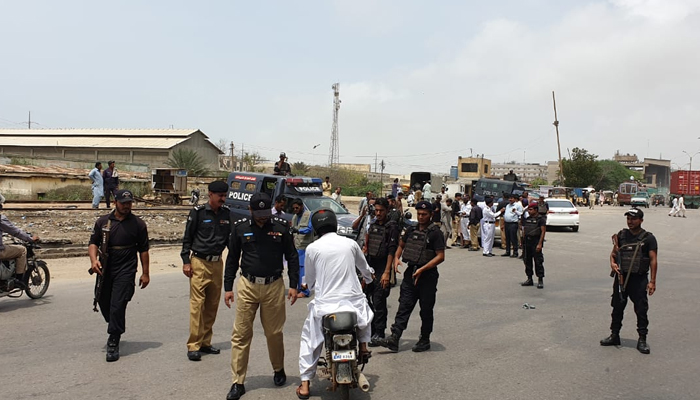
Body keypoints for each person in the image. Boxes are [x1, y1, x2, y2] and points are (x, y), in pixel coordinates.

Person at [224, 193, 300, 400]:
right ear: (250, 210)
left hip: (273, 286)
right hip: (247, 285)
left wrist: (294, 285)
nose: (262, 218)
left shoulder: (281, 227)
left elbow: (292, 257)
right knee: (240, 334)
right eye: (258, 214)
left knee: (274, 332)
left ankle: (278, 369)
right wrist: (228, 287)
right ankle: (237, 382)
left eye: (265, 213)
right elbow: (232, 258)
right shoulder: (240, 227)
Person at [297, 209, 374, 399]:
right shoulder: (350, 243)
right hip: (351, 302)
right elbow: (364, 268)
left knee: (310, 338)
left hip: (326, 306)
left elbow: (311, 281)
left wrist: (308, 283)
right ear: (335, 224)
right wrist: (368, 278)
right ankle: (363, 346)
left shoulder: (313, 249)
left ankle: (305, 385)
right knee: (365, 311)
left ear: (316, 228)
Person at [88, 189, 150, 362]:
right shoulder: (103, 222)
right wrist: (94, 261)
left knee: (118, 304)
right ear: (115, 203)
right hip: (105, 268)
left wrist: (145, 273)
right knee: (102, 300)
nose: (127, 206)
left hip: (126, 269)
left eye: (129, 203)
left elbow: (144, 250)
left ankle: (113, 339)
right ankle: (115, 324)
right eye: (123, 203)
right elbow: (93, 243)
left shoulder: (138, 224)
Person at [380, 200, 445, 353]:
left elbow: (440, 256)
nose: (421, 217)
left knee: (426, 310)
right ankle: (395, 338)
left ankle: (424, 339)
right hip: (411, 273)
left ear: (430, 214)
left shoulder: (435, 233)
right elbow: (401, 245)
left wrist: (423, 269)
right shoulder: (411, 230)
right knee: (404, 306)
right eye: (419, 214)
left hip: (427, 276)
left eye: (424, 214)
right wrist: (396, 258)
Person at [181, 181, 232, 361]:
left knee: (211, 306)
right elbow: (187, 238)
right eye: (220, 196)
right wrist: (186, 262)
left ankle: (205, 342)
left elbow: (230, 242)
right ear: (210, 194)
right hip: (199, 263)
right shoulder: (198, 213)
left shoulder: (227, 214)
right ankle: (193, 345)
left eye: (225, 196)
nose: (223, 199)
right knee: (197, 305)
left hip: (217, 263)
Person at [600, 208, 658, 354]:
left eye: (634, 219)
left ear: (641, 220)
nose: (630, 221)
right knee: (617, 307)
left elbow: (653, 260)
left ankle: (642, 339)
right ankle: (614, 335)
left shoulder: (648, 238)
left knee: (641, 309)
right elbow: (613, 254)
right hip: (621, 277)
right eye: (628, 219)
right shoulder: (622, 235)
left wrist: (652, 281)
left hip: (638, 279)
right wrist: (612, 264)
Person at [362, 197, 399, 346]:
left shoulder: (392, 227)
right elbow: (368, 248)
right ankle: (371, 329)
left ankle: (379, 332)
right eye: (376, 210)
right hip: (371, 266)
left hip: (383, 266)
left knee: (379, 301)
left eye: (381, 211)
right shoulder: (372, 225)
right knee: (366, 298)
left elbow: (391, 250)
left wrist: (386, 272)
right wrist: (365, 272)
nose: (378, 213)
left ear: (387, 211)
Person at [0, 204, 40, 290]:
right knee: (22, 250)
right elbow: (15, 231)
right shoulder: (1, 219)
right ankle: (19, 279)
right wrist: (30, 238)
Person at [521, 202, 546, 288]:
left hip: (535, 241)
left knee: (538, 261)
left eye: (531, 210)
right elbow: (524, 230)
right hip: (527, 242)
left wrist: (540, 244)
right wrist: (522, 242)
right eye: (528, 209)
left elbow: (543, 231)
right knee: (527, 261)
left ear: (536, 210)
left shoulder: (541, 219)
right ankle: (529, 279)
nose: (529, 211)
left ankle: (540, 279)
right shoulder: (527, 219)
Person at [291, 199, 313, 297]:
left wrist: (299, 230)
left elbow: (309, 229)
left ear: (302, 206)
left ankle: (305, 291)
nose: (295, 210)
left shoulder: (309, 215)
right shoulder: (295, 217)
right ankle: (299, 288)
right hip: (297, 246)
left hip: (305, 246)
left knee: (304, 270)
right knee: (297, 269)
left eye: (297, 207)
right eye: (294, 208)